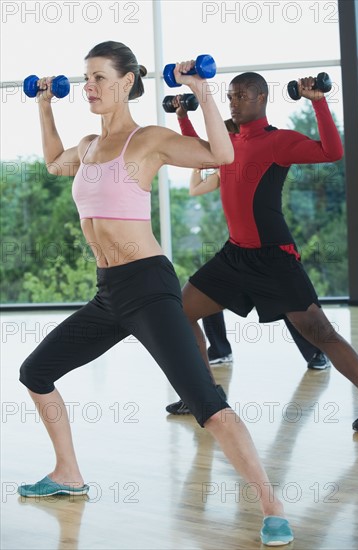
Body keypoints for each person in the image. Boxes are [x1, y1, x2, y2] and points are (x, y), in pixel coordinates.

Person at [16, 43, 294, 546]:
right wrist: (42, 105)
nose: (90, 87)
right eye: (86, 79)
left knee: (206, 403)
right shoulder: (88, 146)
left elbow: (221, 155)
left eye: (100, 78)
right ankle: (68, 473)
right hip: (108, 294)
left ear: (126, 83)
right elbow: (56, 162)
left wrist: (202, 91)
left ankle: (272, 506)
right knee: (34, 372)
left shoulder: (149, 141)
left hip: (148, 286)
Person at [166, 72, 358, 433]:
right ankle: (205, 394)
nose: (233, 102)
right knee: (180, 311)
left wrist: (317, 101)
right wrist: (182, 115)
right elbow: (197, 153)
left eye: (241, 96)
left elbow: (331, 151)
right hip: (235, 255)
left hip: (273, 257)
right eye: (231, 96)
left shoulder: (278, 142)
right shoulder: (228, 142)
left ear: (261, 98)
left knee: (319, 331)